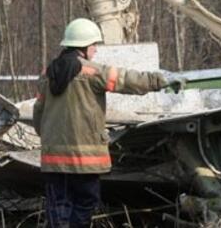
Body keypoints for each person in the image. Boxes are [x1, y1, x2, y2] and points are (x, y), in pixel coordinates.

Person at [33, 18, 179, 228]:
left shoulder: (47, 75)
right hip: (85, 159)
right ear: (83, 46)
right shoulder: (93, 72)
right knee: (85, 202)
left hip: (53, 158)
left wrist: (48, 136)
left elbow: (39, 113)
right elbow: (127, 79)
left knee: (58, 206)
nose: (95, 50)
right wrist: (161, 79)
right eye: (94, 45)